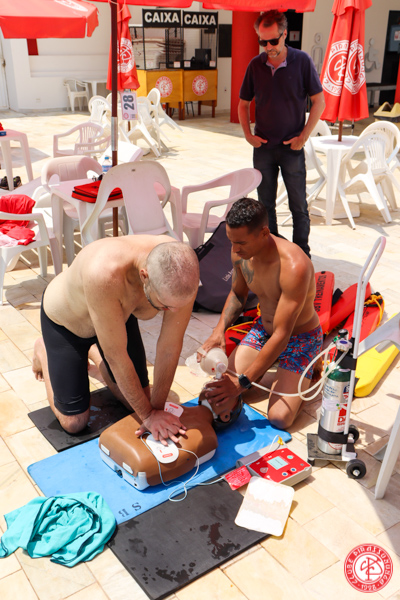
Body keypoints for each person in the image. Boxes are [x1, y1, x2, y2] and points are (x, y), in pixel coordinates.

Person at [32, 235, 200, 444]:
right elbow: (116, 356)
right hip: (67, 324)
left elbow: (170, 346)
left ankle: (94, 350)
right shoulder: (104, 273)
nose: (173, 312)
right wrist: (148, 416)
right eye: (165, 306)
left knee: (138, 402)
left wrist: (155, 411)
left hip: (117, 319)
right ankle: (43, 350)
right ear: (144, 276)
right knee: (74, 423)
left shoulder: (181, 269)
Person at [200, 198, 322, 430]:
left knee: (279, 418)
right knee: (220, 396)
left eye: (241, 242)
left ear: (264, 232)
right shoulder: (240, 253)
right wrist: (218, 331)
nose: (235, 249)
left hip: (299, 338)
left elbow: (282, 335)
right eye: (231, 241)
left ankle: (308, 371)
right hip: (264, 330)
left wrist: (243, 382)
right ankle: (277, 374)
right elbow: (238, 294)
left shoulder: (294, 266)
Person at [238, 10, 325, 258]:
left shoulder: (302, 61)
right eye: (262, 41)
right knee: (265, 207)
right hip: (263, 149)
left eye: (273, 41)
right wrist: (248, 135)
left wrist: (303, 137)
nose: (268, 47)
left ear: (285, 34)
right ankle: (272, 253)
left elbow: (319, 102)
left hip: (292, 149)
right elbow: (243, 104)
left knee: (298, 206)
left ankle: (302, 256)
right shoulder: (255, 66)